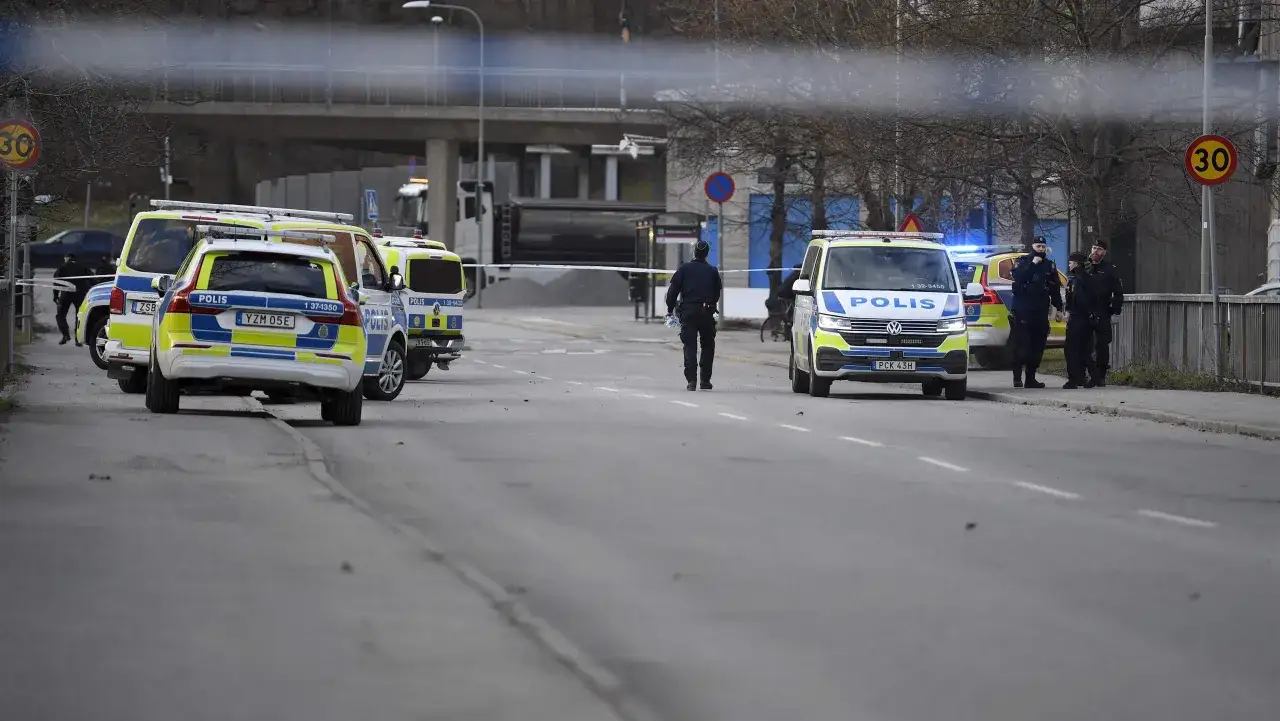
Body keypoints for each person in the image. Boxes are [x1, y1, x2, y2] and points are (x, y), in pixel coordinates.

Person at [665, 239, 723, 391]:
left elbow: (672, 292)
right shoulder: (712, 271)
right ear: (707, 254)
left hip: (689, 311)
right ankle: (705, 380)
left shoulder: (684, 269)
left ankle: (691, 381)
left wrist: (670, 309)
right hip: (706, 312)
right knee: (708, 346)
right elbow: (717, 293)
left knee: (690, 346)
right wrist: (711, 304)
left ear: (694, 252)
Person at [1009, 237, 1063, 388]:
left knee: (1037, 346)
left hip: (1040, 311)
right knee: (1021, 346)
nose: (1040, 249)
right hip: (1023, 311)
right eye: (1038, 246)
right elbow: (1019, 278)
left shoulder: (1049, 266)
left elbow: (1055, 288)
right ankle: (1017, 378)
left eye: (1043, 246)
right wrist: (1032, 265)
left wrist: (1058, 308)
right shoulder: (1023, 262)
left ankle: (1031, 378)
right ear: (1032, 246)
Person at [1086, 240, 1125, 386]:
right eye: (1094, 248)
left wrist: (1116, 312)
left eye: (1099, 249)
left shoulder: (1110, 269)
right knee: (1085, 345)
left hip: (1102, 310)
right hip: (1085, 310)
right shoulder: (1084, 266)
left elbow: (1118, 292)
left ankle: (1101, 375)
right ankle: (1088, 375)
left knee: (1102, 345)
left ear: (1104, 253)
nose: (1095, 251)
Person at [1063, 252, 1100, 389]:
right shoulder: (1089, 278)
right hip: (1087, 319)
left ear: (1076, 264)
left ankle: (1073, 380)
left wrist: (1071, 310)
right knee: (1085, 350)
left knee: (1071, 350)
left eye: (1070, 262)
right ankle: (1093, 376)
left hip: (1077, 317)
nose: (1069, 265)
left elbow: (1079, 298)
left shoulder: (1076, 279)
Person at [53, 252, 91, 346]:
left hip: (66, 294)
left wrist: (55, 295)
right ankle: (78, 339)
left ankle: (65, 335)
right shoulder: (82, 267)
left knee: (60, 315)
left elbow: (56, 282)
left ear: (67, 258)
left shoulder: (62, 267)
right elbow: (92, 278)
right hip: (80, 294)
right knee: (79, 316)